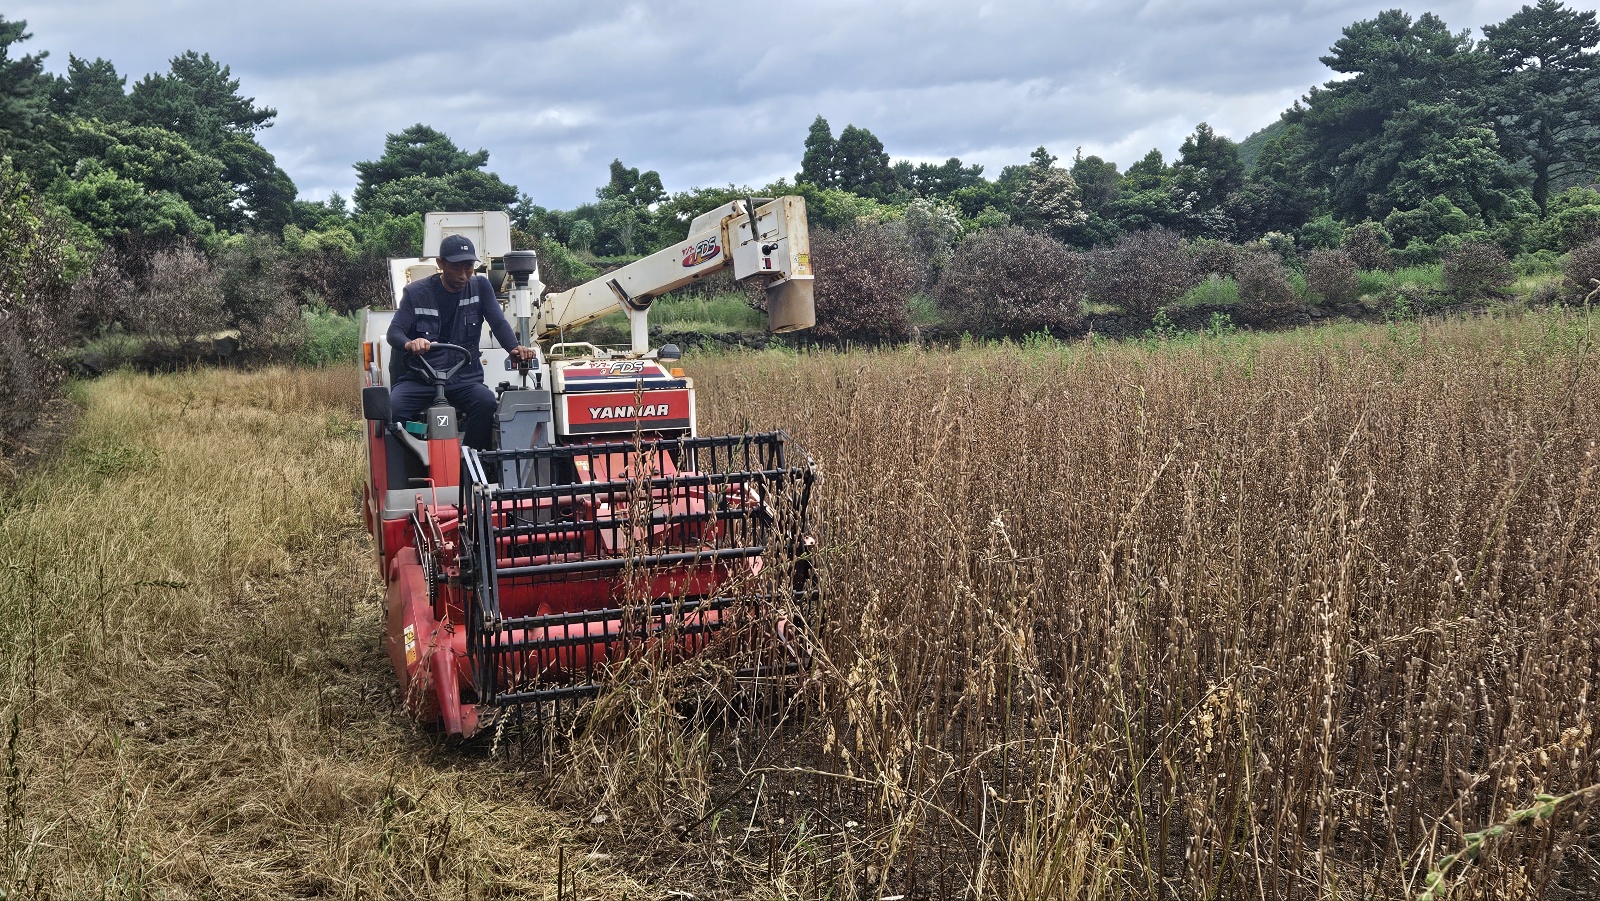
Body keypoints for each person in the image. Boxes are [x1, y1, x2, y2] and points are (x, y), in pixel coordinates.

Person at [387, 234, 535, 449]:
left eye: (468, 267)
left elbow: (498, 322)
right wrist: (410, 344)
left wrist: (513, 347)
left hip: (464, 379)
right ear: (440, 263)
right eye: (457, 267)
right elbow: (394, 333)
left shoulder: (480, 287)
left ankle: (472, 462)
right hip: (421, 380)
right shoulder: (415, 293)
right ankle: (414, 461)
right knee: (394, 408)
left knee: (485, 403)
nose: (464, 275)